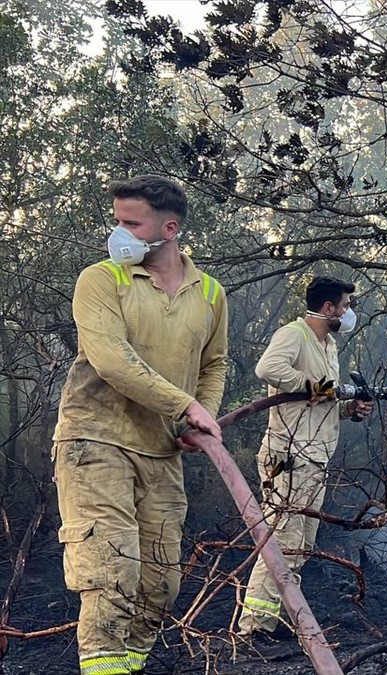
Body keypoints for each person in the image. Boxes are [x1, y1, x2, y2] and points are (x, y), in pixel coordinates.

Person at [53, 175, 229, 675]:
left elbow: (214, 363)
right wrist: (185, 406)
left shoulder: (211, 293)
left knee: (160, 584)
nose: (118, 232)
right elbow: (112, 359)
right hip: (95, 441)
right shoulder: (101, 280)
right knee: (111, 573)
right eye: (118, 221)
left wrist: (204, 412)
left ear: (169, 228)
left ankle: (130, 667)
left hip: (163, 450)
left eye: (131, 223)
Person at [233, 276, 373, 657]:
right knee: (282, 543)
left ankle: (272, 619)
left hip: (315, 458)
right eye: (345, 305)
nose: (348, 312)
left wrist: (349, 409)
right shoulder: (294, 334)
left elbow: (320, 401)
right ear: (328, 308)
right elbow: (268, 369)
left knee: (300, 547)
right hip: (289, 457)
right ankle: (253, 630)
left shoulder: (328, 345)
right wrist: (310, 383)